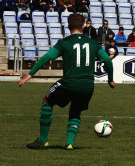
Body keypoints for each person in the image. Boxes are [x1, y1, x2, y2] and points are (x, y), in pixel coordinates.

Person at [19, 14, 115, 150]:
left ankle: (42, 141)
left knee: (47, 100)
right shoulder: (93, 43)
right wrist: (110, 80)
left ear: (68, 27)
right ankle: (69, 143)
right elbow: (107, 61)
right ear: (83, 27)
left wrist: (30, 74)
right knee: (75, 111)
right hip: (87, 86)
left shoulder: (64, 43)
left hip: (69, 83)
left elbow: (46, 57)